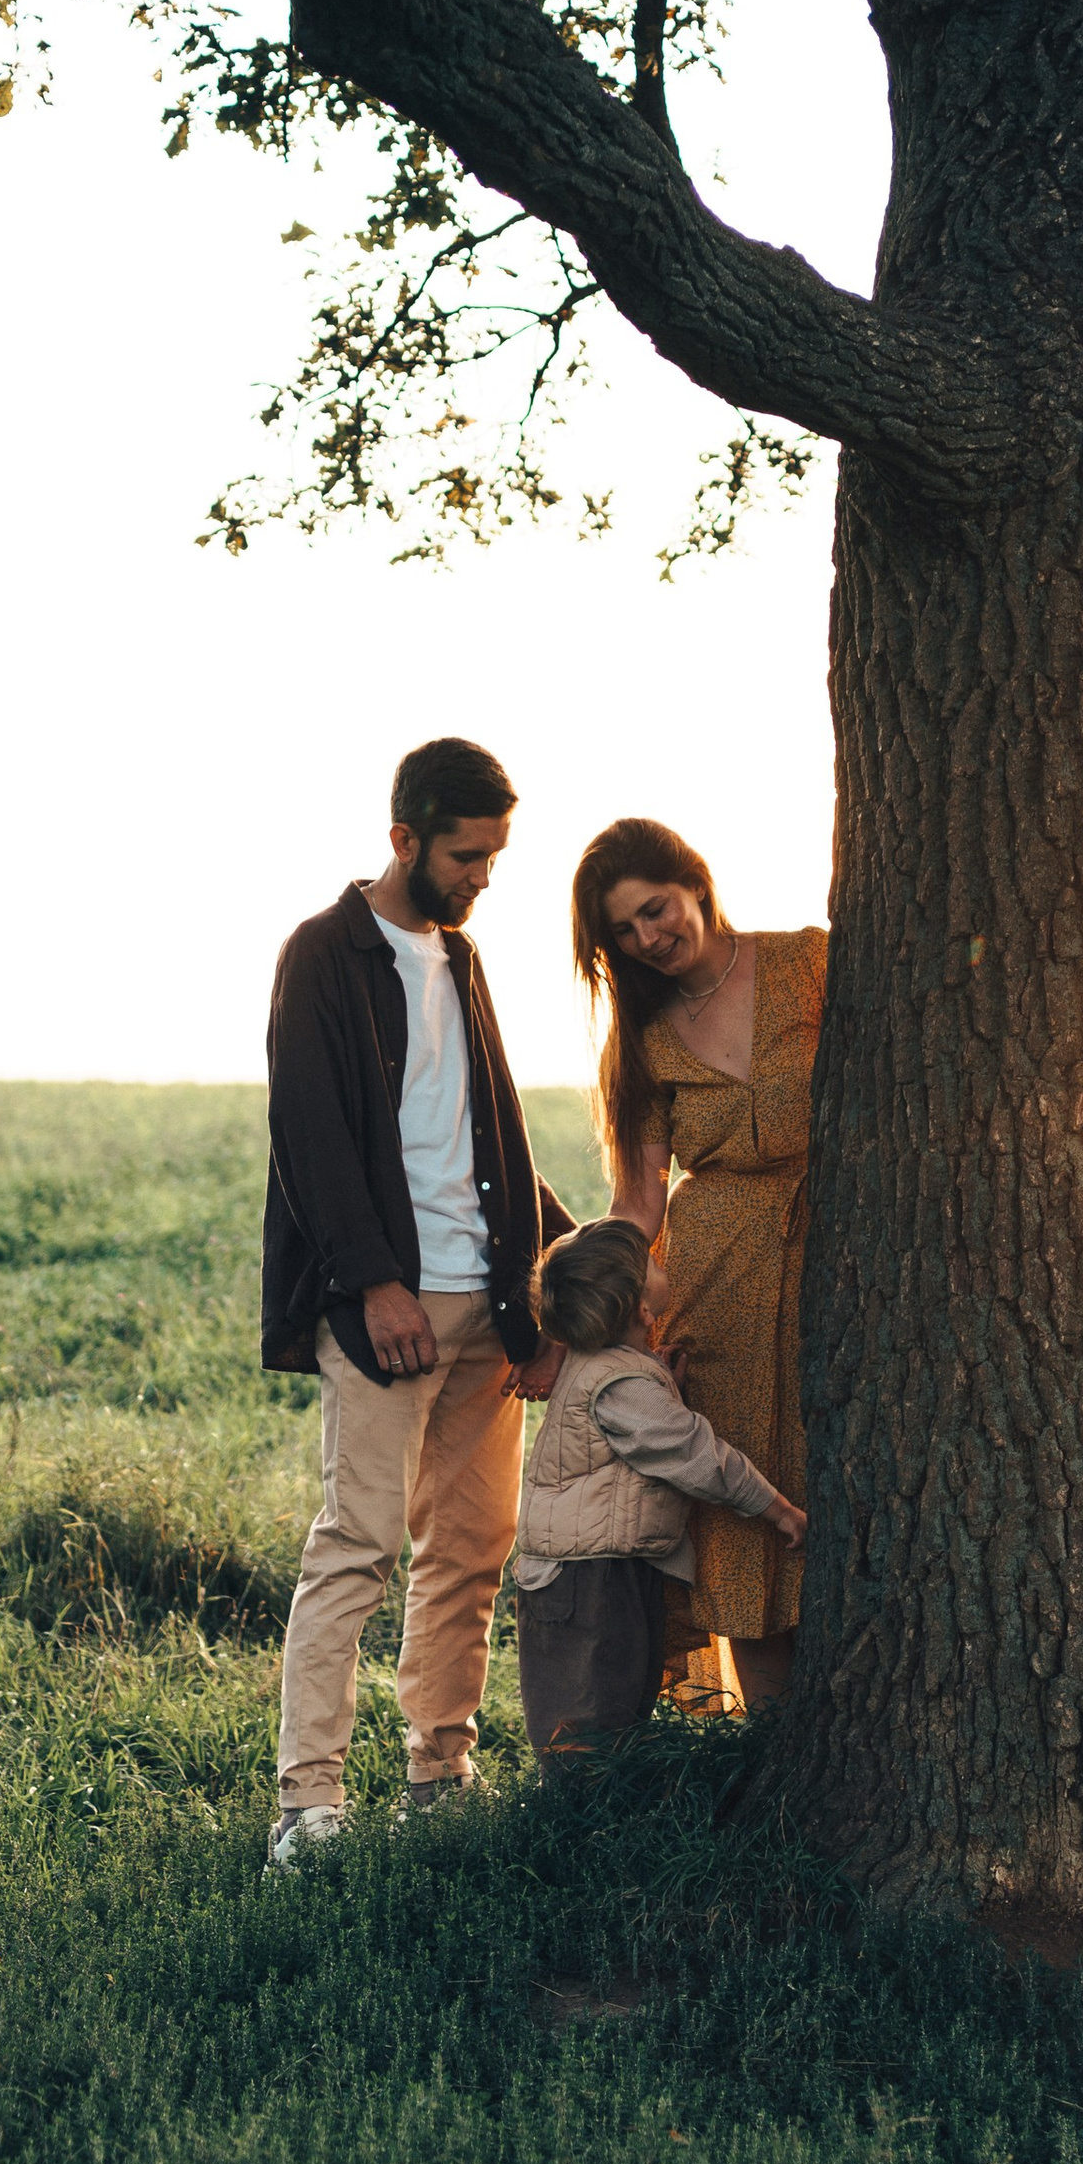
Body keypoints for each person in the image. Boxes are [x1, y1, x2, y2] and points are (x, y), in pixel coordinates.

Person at [261, 737, 571, 1865]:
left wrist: (561, 1263)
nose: (483, 875)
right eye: (467, 854)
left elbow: (486, 1130)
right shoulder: (325, 955)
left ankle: (438, 1773)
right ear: (405, 839)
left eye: (493, 854)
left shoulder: (461, 959)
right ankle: (308, 1807)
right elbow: (308, 1133)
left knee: (473, 1547)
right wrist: (374, 1281)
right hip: (385, 1306)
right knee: (356, 1545)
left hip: (489, 1307)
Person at [571, 817, 826, 1711]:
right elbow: (639, 1203)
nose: (648, 939)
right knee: (746, 1517)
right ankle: (774, 1757)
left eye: (654, 909)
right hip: (715, 1284)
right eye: (624, 932)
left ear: (695, 882)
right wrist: (604, 1332)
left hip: (840, 1256)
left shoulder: (809, 962)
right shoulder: (638, 1040)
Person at [512, 1219, 805, 1765]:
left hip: (595, 1569)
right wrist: (778, 1508)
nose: (664, 1263)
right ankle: (581, 1825)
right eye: (654, 1262)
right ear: (642, 1310)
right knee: (589, 1720)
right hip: (588, 1581)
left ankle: (604, 1810)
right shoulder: (622, 1385)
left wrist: (663, 1383)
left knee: (615, 1707)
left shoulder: (610, 1367)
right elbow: (700, 1459)